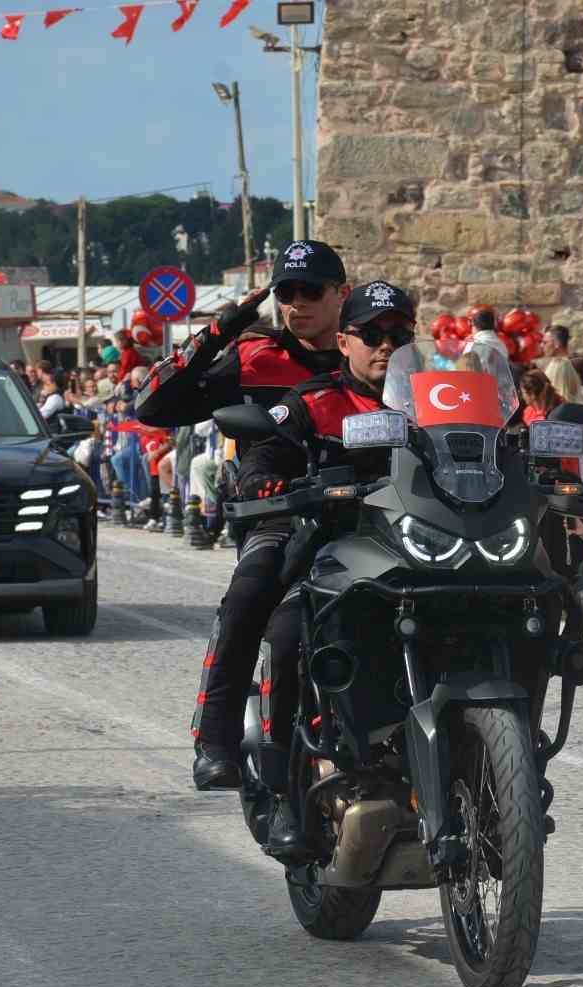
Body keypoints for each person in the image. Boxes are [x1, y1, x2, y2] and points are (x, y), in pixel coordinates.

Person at [138, 240, 353, 790]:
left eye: (311, 291)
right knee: (248, 597)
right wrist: (221, 330)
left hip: (372, 513)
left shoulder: (373, 355)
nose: (297, 303)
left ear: (341, 294)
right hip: (279, 513)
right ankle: (216, 741)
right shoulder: (257, 356)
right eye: (286, 292)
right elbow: (153, 406)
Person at [232, 279, 412, 857]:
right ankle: (285, 793)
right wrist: (268, 478)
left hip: (414, 556)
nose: (386, 346)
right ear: (344, 340)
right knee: (288, 637)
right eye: (372, 335)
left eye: (398, 335)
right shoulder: (313, 398)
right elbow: (264, 451)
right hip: (329, 556)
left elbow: (494, 442)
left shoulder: (435, 400)